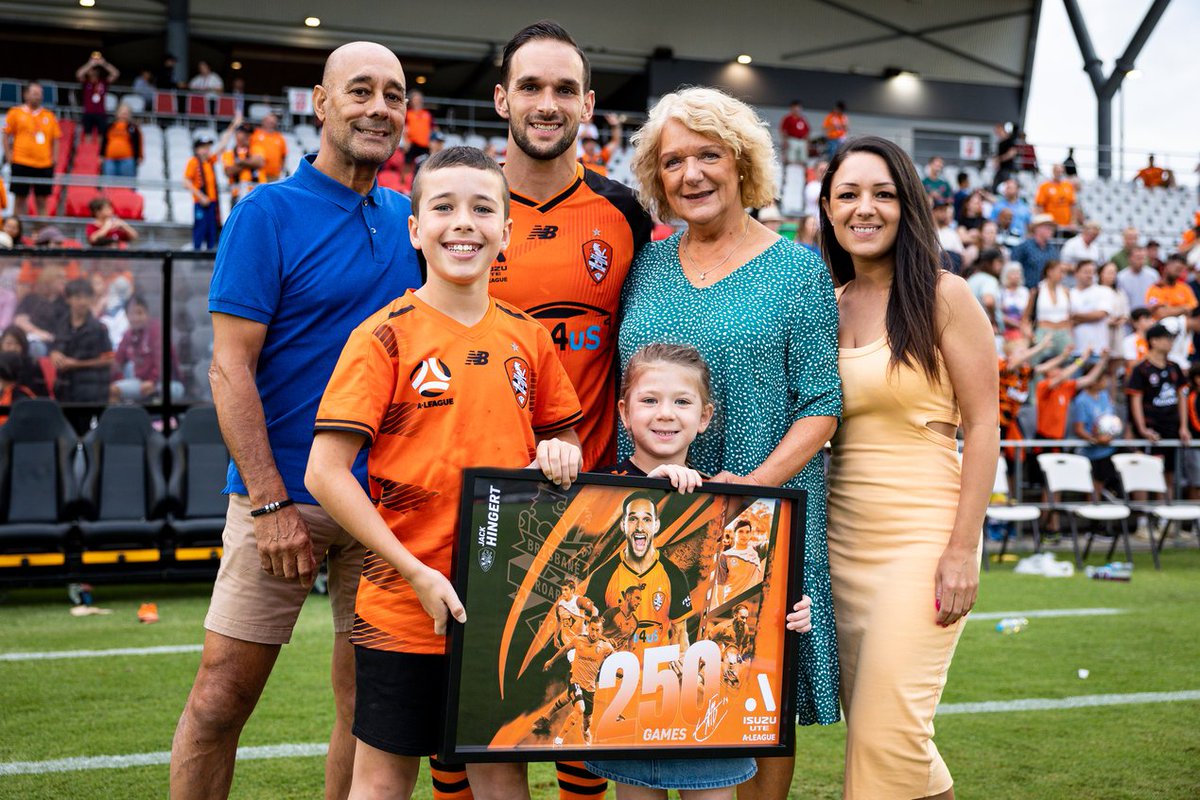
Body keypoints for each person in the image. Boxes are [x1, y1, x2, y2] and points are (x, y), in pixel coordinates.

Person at [169, 41, 423, 800]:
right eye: (360, 91)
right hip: (280, 497)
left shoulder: (413, 218)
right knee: (221, 698)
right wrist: (272, 500)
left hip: (384, 507)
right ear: (320, 102)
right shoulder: (265, 213)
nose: (379, 107)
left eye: (394, 95)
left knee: (365, 708)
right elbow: (229, 368)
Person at [305, 145, 583, 800]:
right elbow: (325, 473)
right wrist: (414, 571)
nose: (464, 222)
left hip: (502, 610)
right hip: (403, 606)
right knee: (382, 779)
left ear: (506, 231)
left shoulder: (528, 338)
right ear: (415, 227)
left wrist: (561, 452)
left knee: (499, 776)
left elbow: (562, 437)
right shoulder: (384, 336)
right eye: (444, 207)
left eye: (483, 208)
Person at [620, 86, 841, 800]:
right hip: (656, 516)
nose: (691, 174)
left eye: (707, 154)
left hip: (761, 519)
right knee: (651, 687)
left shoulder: (797, 270)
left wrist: (750, 488)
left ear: (742, 161)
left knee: (755, 695)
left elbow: (821, 406)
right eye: (673, 160)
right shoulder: (646, 266)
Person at [818, 135, 997, 799]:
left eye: (883, 193)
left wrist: (961, 551)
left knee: (881, 745)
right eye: (849, 195)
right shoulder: (826, 306)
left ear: (909, 206)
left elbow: (984, 426)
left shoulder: (946, 295)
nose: (866, 208)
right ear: (829, 211)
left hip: (922, 543)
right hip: (842, 545)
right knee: (894, 738)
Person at [582, 342, 816, 799]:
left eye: (681, 402)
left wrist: (788, 611)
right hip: (630, 703)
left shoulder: (727, 504)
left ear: (705, 417)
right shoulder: (594, 501)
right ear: (625, 413)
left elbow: (748, 595)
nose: (665, 413)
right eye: (649, 400)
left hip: (700, 701)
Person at [1128, 324, 1189, 492]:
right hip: (1151, 427)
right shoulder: (1141, 369)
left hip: (1171, 426)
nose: (1170, 342)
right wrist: (1142, 429)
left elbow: (1182, 397)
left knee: (1168, 473)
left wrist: (1183, 426)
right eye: (1167, 338)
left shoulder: (1174, 367)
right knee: (1145, 472)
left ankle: (1166, 513)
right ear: (1153, 341)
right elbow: (1136, 400)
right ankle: (1143, 516)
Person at [50, 278, 114, 404]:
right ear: (68, 299)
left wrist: (76, 364)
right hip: (64, 390)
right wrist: (54, 354)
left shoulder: (99, 328)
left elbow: (109, 359)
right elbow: (55, 347)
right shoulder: (61, 325)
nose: (83, 302)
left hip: (90, 392)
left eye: (86, 297)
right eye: (78, 297)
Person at [3, 82, 62, 218]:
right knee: (20, 199)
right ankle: (18, 234)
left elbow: (56, 139)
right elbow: (6, 135)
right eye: (35, 93)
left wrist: (54, 160)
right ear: (26, 94)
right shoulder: (15, 113)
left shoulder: (49, 116)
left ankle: (42, 235)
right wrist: (9, 156)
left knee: (42, 200)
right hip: (21, 162)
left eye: (40, 94)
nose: (38, 96)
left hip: (44, 164)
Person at [184, 118, 238, 250]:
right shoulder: (193, 162)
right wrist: (200, 196)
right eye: (203, 147)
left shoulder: (209, 161)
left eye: (208, 147)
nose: (206, 150)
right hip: (201, 202)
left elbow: (222, 145)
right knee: (200, 229)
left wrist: (233, 126)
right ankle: (196, 254)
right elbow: (186, 181)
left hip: (212, 202)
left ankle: (209, 254)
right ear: (197, 149)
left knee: (212, 231)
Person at [1022, 260, 1072, 361]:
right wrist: (1028, 332)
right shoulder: (1037, 291)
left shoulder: (1066, 291)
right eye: (1060, 271)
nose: (1063, 275)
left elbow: (1069, 316)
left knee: (1068, 360)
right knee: (1035, 362)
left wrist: (1070, 334)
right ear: (1050, 271)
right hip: (1043, 332)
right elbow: (1026, 317)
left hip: (1063, 332)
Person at [1069, 261, 1114, 360]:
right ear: (1076, 273)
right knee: (1074, 374)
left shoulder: (1104, 291)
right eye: (1086, 272)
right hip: (1076, 353)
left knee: (1096, 375)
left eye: (1092, 272)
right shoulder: (1069, 293)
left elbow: (1100, 314)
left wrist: (1075, 316)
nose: (1089, 275)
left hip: (1097, 352)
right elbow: (1066, 320)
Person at [76, 53, 119, 141]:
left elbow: (116, 74)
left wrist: (104, 63)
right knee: (88, 135)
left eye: (95, 69)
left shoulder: (103, 82)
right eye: (91, 70)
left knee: (101, 136)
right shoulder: (86, 82)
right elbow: (79, 74)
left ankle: (99, 154)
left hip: (101, 113)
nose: (93, 71)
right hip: (88, 112)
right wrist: (90, 64)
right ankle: (87, 153)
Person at [222, 122, 267, 205]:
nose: (247, 136)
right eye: (244, 133)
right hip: (237, 194)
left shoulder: (256, 148)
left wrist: (240, 162)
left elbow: (260, 163)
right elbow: (229, 171)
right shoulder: (229, 152)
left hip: (256, 193)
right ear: (237, 134)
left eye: (249, 133)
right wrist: (250, 162)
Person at [1011, 213, 1059, 289]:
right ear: (1037, 228)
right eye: (1047, 227)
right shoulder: (1024, 247)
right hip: (1027, 290)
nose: (1051, 231)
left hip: (1046, 292)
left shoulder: (1053, 250)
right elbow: (1014, 267)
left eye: (1052, 228)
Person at [1, 324, 50, 396]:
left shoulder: (32, 366)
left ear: (23, 346)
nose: (13, 348)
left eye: (17, 344)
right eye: (9, 344)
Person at [100, 103, 143, 178]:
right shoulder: (110, 127)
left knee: (126, 185)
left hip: (127, 160)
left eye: (126, 112)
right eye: (122, 112)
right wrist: (101, 155)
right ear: (117, 113)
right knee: (109, 185)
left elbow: (138, 142)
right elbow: (104, 141)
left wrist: (139, 156)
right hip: (110, 160)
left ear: (130, 115)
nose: (124, 114)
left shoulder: (133, 129)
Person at [1034, 163, 1078, 230]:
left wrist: (1073, 221)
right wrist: (1043, 222)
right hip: (1050, 225)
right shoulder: (1045, 187)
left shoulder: (1068, 186)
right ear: (1053, 172)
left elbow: (1073, 205)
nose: (1059, 173)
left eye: (1061, 171)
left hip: (1067, 225)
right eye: (1057, 171)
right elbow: (1039, 206)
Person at [1116, 245, 1159, 312]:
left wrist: (1152, 306)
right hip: (1128, 317)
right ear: (1130, 258)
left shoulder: (1153, 275)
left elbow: (1156, 296)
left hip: (1149, 316)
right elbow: (1120, 300)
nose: (1141, 261)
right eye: (1138, 258)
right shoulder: (1121, 277)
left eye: (1143, 258)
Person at [251, 112, 288, 181]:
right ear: (263, 122)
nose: (271, 124)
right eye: (269, 122)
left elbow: (283, 155)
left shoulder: (280, 137)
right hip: (258, 174)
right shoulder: (255, 134)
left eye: (273, 122)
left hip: (275, 175)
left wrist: (281, 169)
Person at [780, 100, 810, 166]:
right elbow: (783, 131)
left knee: (803, 159)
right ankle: (791, 173)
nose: (797, 110)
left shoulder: (803, 119)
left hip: (802, 141)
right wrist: (785, 141)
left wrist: (807, 143)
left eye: (798, 108)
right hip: (792, 140)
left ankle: (802, 174)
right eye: (795, 109)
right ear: (792, 109)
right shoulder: (788, 118)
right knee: (791, 158)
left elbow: (807, 131)